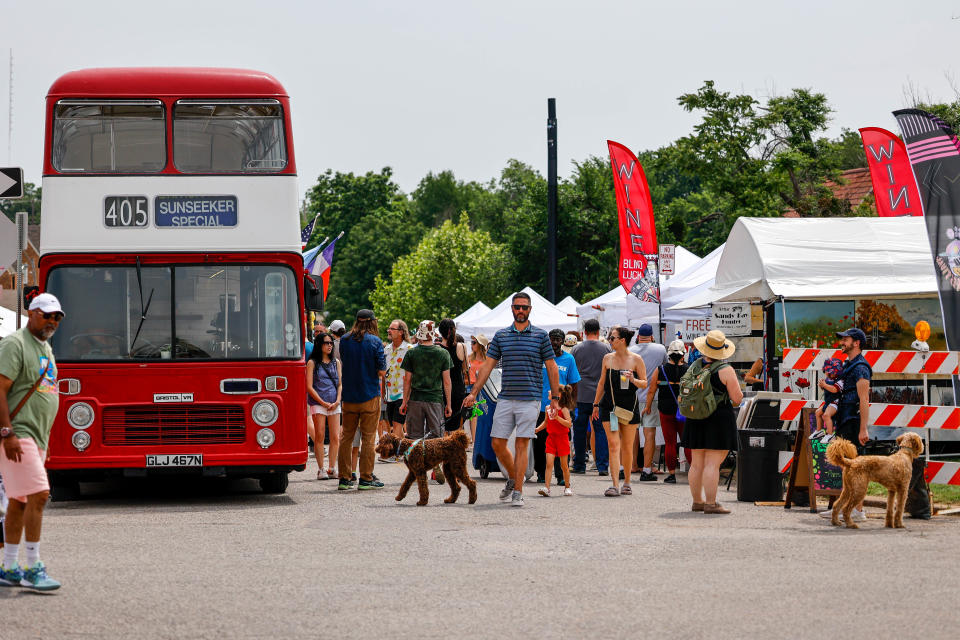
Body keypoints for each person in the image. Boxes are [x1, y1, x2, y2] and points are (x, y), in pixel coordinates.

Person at [464, 291, 560, 508]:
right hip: (505, 397)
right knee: (497, 442)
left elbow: (551, 367)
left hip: (530, 398)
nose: (521, 311)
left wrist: (555, 398)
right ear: (512, 309)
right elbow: (487, 366)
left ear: (530, 310)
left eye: (524, 307)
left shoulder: (540, 336)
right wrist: (473, 393)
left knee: (521, 444)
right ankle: (513, 479)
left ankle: (518, 491)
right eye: (517, 307)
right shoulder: (501, 336)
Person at [0, 293, 64, 590]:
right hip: (17, 434)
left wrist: (45, 444)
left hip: (36, 438)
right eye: (46, 314)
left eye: (57, 317)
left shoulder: (45, 348)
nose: (52, 320)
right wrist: (7, 433)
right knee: (39, 494)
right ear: (31, 313)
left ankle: (9, 567)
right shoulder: (15, 344)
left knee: (19, 501)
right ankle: (32, 567)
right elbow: (0, 388)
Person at [681, 330, 743, 515]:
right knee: (712, 464)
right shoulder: (725, 370)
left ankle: (697, 502)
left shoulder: (694, 366)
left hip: (694, 416)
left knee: (697, 463)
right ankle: (711, 503)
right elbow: (737, 398)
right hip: (718, 418)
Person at [820, 328, 872, 522]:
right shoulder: (848, 365)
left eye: (846, 339)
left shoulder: (861, 367)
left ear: (856, 343)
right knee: (846, 467)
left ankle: (858, 510)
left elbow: (864, 398)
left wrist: (863, 428)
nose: (842, 342)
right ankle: (844, 507)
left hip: (853, 420)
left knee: (856, 467)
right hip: (844, 418)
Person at [592, 326, 647, 497]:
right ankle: (614, 484)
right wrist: (595, 404)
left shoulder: (636, 359)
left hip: (629, 407)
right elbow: (601, 383)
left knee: (627, 447)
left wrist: (633, 379)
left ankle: (627, 482)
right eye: (609, 338)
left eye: (612, 338)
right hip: (610, 408)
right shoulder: (607, 358)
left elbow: (644, 383)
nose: (609, 341)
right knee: (614, 445)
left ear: (622, 340)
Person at [336, 310, 386, 491]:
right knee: (368, 438)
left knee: (346, 438)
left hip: (349, 396)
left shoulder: (345, 339)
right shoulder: (375, 341)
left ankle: (344, 477)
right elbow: (381, 372)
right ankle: (366, 478)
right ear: (372, 322)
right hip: (369, 395)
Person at [534, 329, 580, 484]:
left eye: (558, 339)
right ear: (548, 340)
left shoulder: (569, 359)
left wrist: (573, 407)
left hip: (562, 408)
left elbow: (574, 384)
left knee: (562, 444)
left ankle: (561, 475)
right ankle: (541, 473)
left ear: (562, 341)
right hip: (542, 407)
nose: (555, 342)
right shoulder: (541, 358)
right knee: (540, 443)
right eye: (552, 339)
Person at [571, 319, 611, 476]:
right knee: (600, 431)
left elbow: (572, 371)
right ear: (598, 331)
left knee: (579, 431)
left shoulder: (576, 348)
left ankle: (579, 464)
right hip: (599, 397)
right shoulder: (606, 348)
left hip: (580, 395)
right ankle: (602, 466)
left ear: (584, 332)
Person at [400, 320, 452, 441]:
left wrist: (404, 402)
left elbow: (407, 380)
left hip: (415, 400)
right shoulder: (443, 353)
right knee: (435, 439)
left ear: (419, 334)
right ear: (433, 334)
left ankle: (415, 460)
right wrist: (448, 404)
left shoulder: (411, 353)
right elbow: (447, 382)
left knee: (414, 438)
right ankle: (432, 461)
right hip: (435, 400)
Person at [630, 324, 666, 481]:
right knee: (649, 433)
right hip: (652, 397)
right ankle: (646, 469)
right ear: (652, 336)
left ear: (638, 337)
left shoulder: (630, 350)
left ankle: (632, 465)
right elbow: (663, 369)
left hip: (632, 397)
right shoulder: (660, 349)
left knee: (632, 433)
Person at [307, 332, 341, 480]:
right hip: (318, 402)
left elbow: (340, 384)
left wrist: (338, 400)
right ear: (319, 345)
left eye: (331, 343)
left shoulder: (336, 362)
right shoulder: (312, 363)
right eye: (326, 343)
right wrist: (322, 402)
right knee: (319, 435)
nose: (329, 345)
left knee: (335, 437)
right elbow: (309, 386)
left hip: (334, 402)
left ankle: (332, 468)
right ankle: (321, 469)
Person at [658, 339, 690, 483]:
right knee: (687, 442)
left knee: (669, 443)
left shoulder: (661, 370)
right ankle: (693, 473)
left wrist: (646, 407)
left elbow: (652, 389)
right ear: (683, 354)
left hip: (665, 410)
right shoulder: (690, 370)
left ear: (669, 354)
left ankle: (671, 474)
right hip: (685, 411)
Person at [535, 384, 576, 497]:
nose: (548, 392)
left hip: (562, 439)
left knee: (564, 466)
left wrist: (558, 417)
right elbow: (546, 422)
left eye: (551, 390)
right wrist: (537, 429)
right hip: (551, 438)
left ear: (558, 395)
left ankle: (567, 487)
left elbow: (569, 424)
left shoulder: (564, 409)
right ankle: (547, 488)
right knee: (549, 463)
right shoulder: (548, 408)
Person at [383, 319, 411, 448]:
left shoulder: (409, 349)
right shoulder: (386, 350)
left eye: (392, 329)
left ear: (401, 332)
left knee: (397, 424)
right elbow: (384, 373)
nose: (389, 331)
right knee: (392, 424)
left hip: (402, 394)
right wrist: (383, 393)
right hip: (389, 394)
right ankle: (404, 449)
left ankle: (395, 452)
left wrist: (408, 396)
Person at [438, 319, 468, 433]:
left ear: (440, 332)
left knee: (443, 426)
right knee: (457, 427)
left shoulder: (438, 349)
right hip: (458, 390)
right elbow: (465, 369)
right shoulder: (462, 347)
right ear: (454, 330)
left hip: (442, 390)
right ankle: (457, 450)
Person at [466, 334, 489, 445]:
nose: (471, 344)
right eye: (471, 342)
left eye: (474, 342)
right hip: (470, 388)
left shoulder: (488, 360)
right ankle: (475, 441)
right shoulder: (469, 358)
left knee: (483, 414)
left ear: (480, 345)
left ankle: (481, 440)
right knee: (473, 414)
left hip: (484, 388)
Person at [814, 357, 844, 438]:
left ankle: (830, 434)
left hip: (835, 402)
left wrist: (824, 385)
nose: (828, 374)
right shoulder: (828, 379)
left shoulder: (840, 380)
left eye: (830, 372)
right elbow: (826, 389)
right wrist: (822, 386)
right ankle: (819, 430)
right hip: (828, 402)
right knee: (818, 412)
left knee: (826, 415)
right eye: (826, 372)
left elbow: (834, 390)